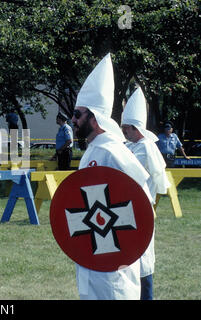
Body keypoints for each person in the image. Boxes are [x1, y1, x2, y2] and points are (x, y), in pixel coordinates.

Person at [71, 53, 153, 300]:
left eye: (77, 114)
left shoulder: (113, 151)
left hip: (113, 250)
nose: (72, 120)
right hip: (93, 246)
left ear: (94, 118)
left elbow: (140, 201)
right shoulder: (93, 150)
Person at [121, 87, 171, 300]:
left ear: (136, 128)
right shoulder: (129, 145)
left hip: (140, 208)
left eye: (126, 129)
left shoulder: (146, 147)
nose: (124, 132)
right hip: (125, 208)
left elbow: (153, 178)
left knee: (143, 259)